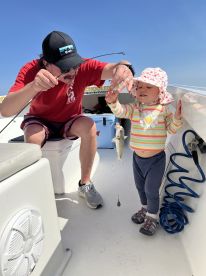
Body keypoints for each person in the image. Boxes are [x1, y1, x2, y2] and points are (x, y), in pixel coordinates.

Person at [1, 30, 134, 209]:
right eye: (64, 67)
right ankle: (36, 189)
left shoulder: (84, 66)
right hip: (40, 119)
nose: (72, 71)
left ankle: (85, 183)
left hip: (70, 118)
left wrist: (124, 68)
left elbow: (114, 67)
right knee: (33, 136)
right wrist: (34, 86)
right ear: (46, 64)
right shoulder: (30, 70)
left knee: (89, 127)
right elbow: (6, 110)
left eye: (74, 64)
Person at [105, 67, 182, 235]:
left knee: (151, 190)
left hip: (156, 160)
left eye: (148, 87)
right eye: (139, 87)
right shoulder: (135, 108)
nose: (142, 90)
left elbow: (172, 129)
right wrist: (113, 102)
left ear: (160, 91)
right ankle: (145, 208)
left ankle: (152, 217)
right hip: (137, 158)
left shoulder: (164, 110)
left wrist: (177, 118)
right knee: (140, 187)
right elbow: (121, 111)